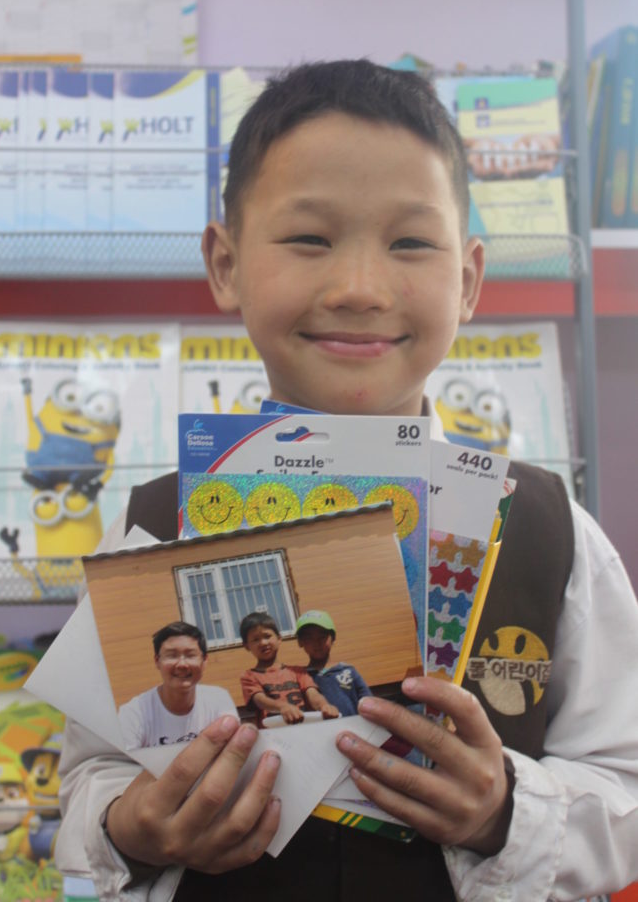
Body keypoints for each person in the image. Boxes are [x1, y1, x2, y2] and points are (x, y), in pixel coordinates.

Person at [56, 60, 638, 902]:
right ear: (224, 264)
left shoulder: (550, 530)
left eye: (410, 242)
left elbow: (624, 787)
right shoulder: (154, 524)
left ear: (468, 279)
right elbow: (86, 786)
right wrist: (129, 826)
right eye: (309, 239)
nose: (360, 289)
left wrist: (506, 810)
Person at [118, 621, 238, 750]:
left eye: (190, 655)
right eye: (172, 655)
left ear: (204, 661)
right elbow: (125, 766)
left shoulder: (219, 698)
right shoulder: (134, 712)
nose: (182, 664)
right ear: (157, 661)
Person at [238, 611, 339, 727]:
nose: (263, 643)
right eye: (255, 639)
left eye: (267, 636)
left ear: (279, 638)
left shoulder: (298, 671)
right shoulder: (249, 676)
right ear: (246, 646)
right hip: (273, 735)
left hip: (304, 730)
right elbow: (259, 700)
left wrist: (324, 705)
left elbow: (312, 694)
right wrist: (282, 707)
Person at [294, 610, 372, 718]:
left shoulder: (348, 671)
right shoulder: (301, 677)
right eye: (309, 638)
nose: (316, 643)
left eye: (322, 637)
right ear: (300, 642)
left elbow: (369, 703)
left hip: (353, 731)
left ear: (333, 638)